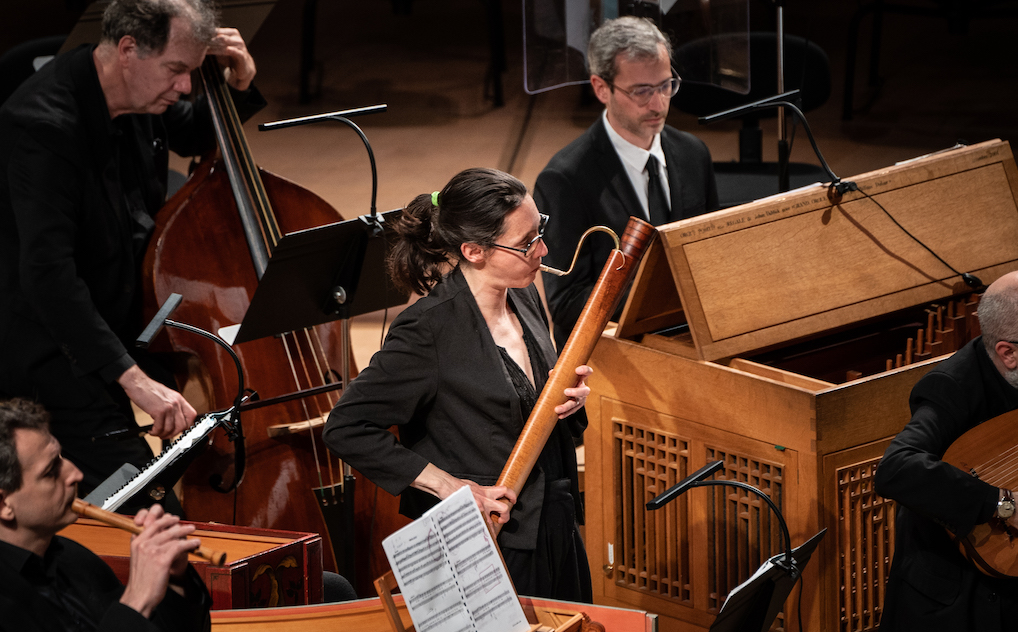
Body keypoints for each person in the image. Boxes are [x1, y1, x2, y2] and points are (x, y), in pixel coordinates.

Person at [0, 0, 265, 509]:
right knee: (149, 510)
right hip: (47, 353)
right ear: (128, 50)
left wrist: (236, 85)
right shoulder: (44, 129)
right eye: (177, 70)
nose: (186, 86)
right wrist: (136, 382)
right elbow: (49, 278)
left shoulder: (137, 97)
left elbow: (193, 133)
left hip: (113, 322)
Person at [323, 168, 594, 602]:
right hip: (488, 542)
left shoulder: (523, 294)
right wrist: (449, 486)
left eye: (539, 230)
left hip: (554, 522)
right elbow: (346, 427)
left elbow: (530, 417)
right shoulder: (426, 330)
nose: (542, 249)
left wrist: (570, 405)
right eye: (526, 243)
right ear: (473, 250)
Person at [535, 16, 719, 349]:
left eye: (665, 86)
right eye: (641, 91)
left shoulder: (693, 154)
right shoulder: (564, 179)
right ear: (601, 88)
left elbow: (710, 254)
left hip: (692, 339)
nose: (658, 103)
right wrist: (656, 300)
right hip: (612, 356)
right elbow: (564, 304)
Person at [874, 271, 1018, 631]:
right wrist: (1003, 503)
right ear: (1009, 353)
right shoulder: (951, 387)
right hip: (952, 599)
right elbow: (896, 468)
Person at [0, 397, 212, 631]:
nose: (76, 474)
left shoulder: (74, 558)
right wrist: (136, 603)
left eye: (61, 457)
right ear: (3, 504)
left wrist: (174, 581)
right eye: (51, 471)